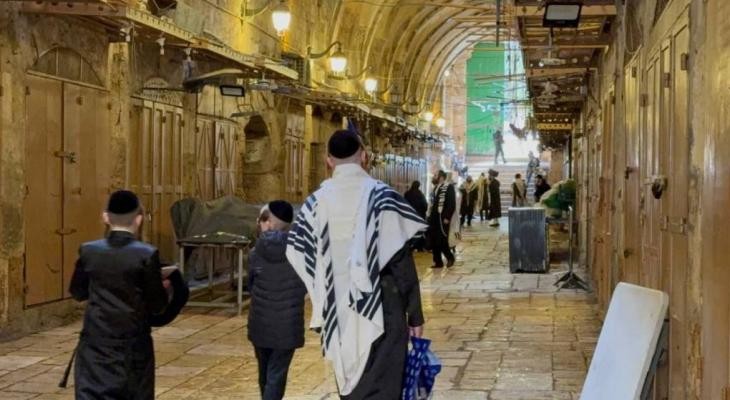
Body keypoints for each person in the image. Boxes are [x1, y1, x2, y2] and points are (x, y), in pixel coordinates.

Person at [286, 130, 426, 400]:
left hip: (337, 310)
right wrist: (415, 315)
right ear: (363, 156)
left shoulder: (314, 204)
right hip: (385, 306)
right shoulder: (383, 197)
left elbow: (297, 253)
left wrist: (321, 292)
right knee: (385, 385)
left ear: (328, 160)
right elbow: (402, 264)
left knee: (351, 383)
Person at [69, 190, 169, 400]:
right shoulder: (147, 254)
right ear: (139, 219)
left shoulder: (88, 251)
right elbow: (157, 305)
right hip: (133, 347)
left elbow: (77, 292)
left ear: (106, 217)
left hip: (96, 344)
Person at [248, 200, 306, 400]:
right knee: (277, 375)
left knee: (264, 373)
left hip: (260, 322)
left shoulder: (255, 252)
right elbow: (306, 284)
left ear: (269, 223)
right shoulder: (299, 252)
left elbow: (250, 285)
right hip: (288, 325)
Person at [429, 170, 457, 269]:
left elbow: (451, 203)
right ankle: (438, 262)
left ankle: (450, 257)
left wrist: (447, 217)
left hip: (442, 217)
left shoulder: (449, 187)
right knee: (434, 240)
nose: (433, 177)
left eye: (435, 175)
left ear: (441, 177)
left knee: (442, 240)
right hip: (434, 217)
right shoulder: (435, 188)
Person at [404, 181, 429, 251]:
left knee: (410, 232)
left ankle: (410, 246)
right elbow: (425, 206)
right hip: (419, 217)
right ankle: (419, 247)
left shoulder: (407, 194)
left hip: (410, 217)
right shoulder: (420, 194)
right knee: (418, 232)